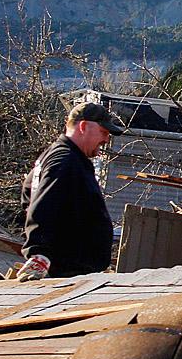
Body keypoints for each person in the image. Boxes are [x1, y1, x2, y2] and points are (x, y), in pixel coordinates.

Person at [21, 101, 124, 278]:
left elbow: (27, 197)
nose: (106, 139)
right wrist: (39, 253)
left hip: (73, 270)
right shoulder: (65, 160)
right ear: (83, 126)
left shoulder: (57, 156)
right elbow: (43, 205)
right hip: (65, 273)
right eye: (103, 132)